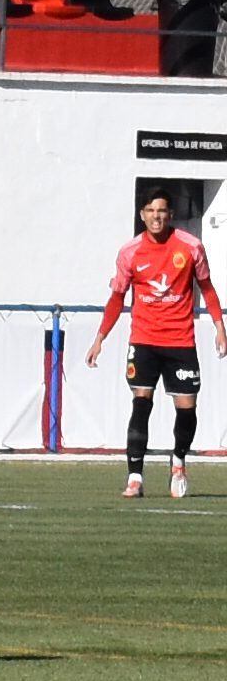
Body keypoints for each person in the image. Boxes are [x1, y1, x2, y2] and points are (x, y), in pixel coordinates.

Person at [87, 186, 227, 499]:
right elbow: (116, 297)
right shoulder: (129, 252)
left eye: (162, 211)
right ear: (142, 215)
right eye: (151, 211)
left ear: (170, 215)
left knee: (187, 408)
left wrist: (220, 326)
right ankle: (135, 477)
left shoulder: (191, 248)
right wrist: (100, 338)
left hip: (180, 342)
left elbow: (207, 288)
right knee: (141, 403)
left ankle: (178, 462)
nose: (156, 216)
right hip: (144, 339)